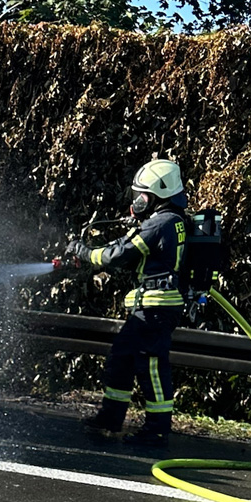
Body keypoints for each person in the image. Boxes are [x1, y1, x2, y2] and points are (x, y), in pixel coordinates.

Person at [67, 159, 189, 445]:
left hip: (156, 308)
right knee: (121, 359)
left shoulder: (161, 224)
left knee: (151, 367)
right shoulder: (170, 221)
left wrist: (83, 253)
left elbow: (117, 255)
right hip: (150, 307)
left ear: (159, 193)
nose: (138, 200)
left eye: (142, 195)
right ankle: (111, 418)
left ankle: (157, 431)